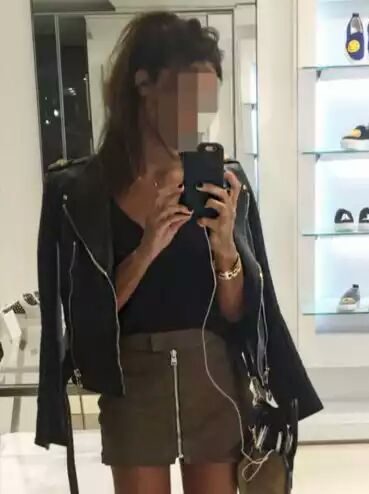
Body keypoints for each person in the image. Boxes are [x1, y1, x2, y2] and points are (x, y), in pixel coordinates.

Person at [35, 11, 322, 494]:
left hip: (213, 379)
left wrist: (226, 248)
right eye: (185, 98)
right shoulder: (86, 190)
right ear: (143, 85)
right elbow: (88, 319)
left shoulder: (224, 185)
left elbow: (240, 314)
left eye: (205, 103)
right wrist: (147, 247)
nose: (195, 118)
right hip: (133, 385)